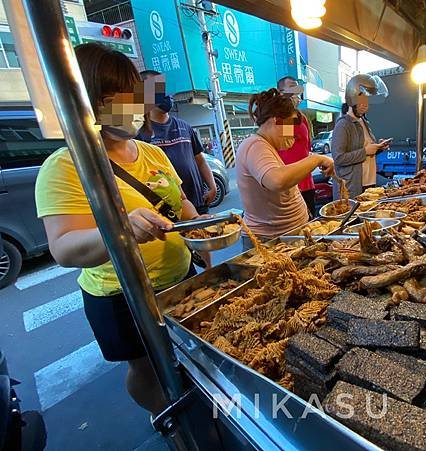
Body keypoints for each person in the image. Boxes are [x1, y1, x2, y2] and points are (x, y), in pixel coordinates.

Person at [34, 43, 205, 417]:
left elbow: (183, 206)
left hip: (181, 279)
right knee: (145, 368)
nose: (131, 107)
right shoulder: (64, 167)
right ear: (86, 105)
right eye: (114, 98)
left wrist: (205, 232)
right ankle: (172, 420)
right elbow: (63, 248)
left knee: (191, 353)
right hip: (121, 296)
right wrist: (120, 229)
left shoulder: (153, 153)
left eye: (132, 95)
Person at [236, 89, 334, 250]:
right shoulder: (254, 145)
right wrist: (316, 159)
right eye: (290, 125)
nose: (293, 133)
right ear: (276, 121)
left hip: (288, 235)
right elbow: (277, 180)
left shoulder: (268, 146)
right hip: (270, 242)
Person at [137, 70, 217, 216]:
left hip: (198, 201)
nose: (165, 94)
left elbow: (200, 160)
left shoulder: (184, 126)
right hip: (171, 209)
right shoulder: (141, 134)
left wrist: (212, 186)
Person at [331, 74, 389, 199]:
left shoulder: (364, 122)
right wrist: (365, 151)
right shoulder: (343, 125)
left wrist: (378, 147)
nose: (365, 105)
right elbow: (339, 158)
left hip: (369, 182)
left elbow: (367, 150)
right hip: (352, 187)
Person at [276, 76, 317, 218]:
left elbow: (305, 149)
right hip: (291, 186)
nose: (295, 94)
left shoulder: (302, 117)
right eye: (291, 89)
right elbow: (285, 144)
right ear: (280, 93)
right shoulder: (281, 118)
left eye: (297, 89)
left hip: (307, 182)